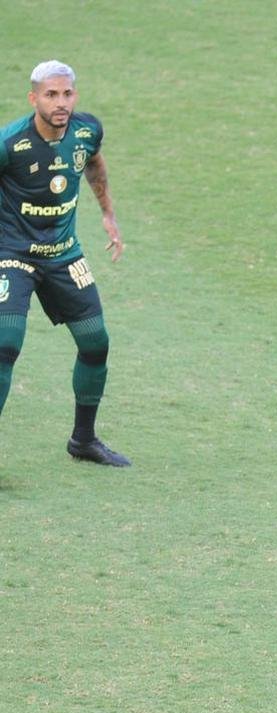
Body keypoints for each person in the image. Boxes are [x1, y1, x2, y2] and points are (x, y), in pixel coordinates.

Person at [0, 60, 128, 466]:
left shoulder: (87, 131)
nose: (61, 103)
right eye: (51, 94)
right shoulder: (9, 143)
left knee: (96, 343)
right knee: (5, 344)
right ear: (34, 97)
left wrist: (107, 214)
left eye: (67, 94)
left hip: (63, 253)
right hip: (12, 255)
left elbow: (92, 163)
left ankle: (83, 441)